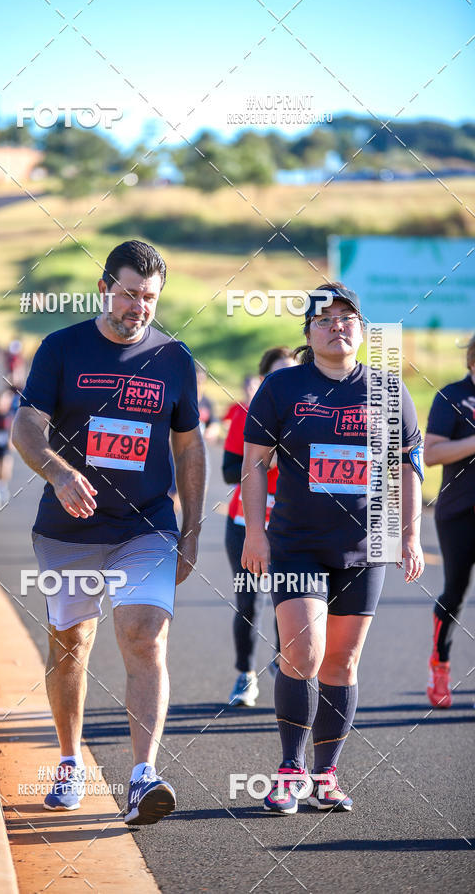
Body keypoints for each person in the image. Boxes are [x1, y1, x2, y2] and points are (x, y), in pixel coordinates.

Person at [12, 240, 206, 826]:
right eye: (128, 294)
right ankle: (70, 762)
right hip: (68, 528)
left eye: (149, 298)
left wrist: (192, 531)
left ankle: (143, 776)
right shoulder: (61, 348)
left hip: (146, 525)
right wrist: (58, 471)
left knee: (144, 637)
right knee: (72, 642)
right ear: (104, 289)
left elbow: (189, 446)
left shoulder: (174, 358)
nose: (138, 307)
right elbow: (26, 426)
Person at [241, 283, 424, 814]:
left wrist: (410, 535)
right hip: (297, 543)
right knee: (303, 653)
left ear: (361, 330)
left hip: (365, 547)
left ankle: (326, 775)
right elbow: (255, 464)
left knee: (342, 663)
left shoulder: (388, 391)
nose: (336, 326)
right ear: (308, 333)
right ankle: (289, 770)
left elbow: (407, 467)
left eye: (347, 318)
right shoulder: (282, 387)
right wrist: (255, 533)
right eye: (324, 319)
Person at [223, 348, 296, 707]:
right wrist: (268, 457)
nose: (284, 382)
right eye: (276, 375)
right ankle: (245, 674)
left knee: (293, 601)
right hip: (246, 524)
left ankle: (284, 661)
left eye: (292, 374)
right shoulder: (246, 412)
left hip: (292, 526)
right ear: (264, 379)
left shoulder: (312, 415)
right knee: (249, 602)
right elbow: (228, 471)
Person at [423, 333, 475, 708]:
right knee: (455, 593)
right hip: (459, 513)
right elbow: (431, 454)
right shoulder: (452, 397)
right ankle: (439, 664)